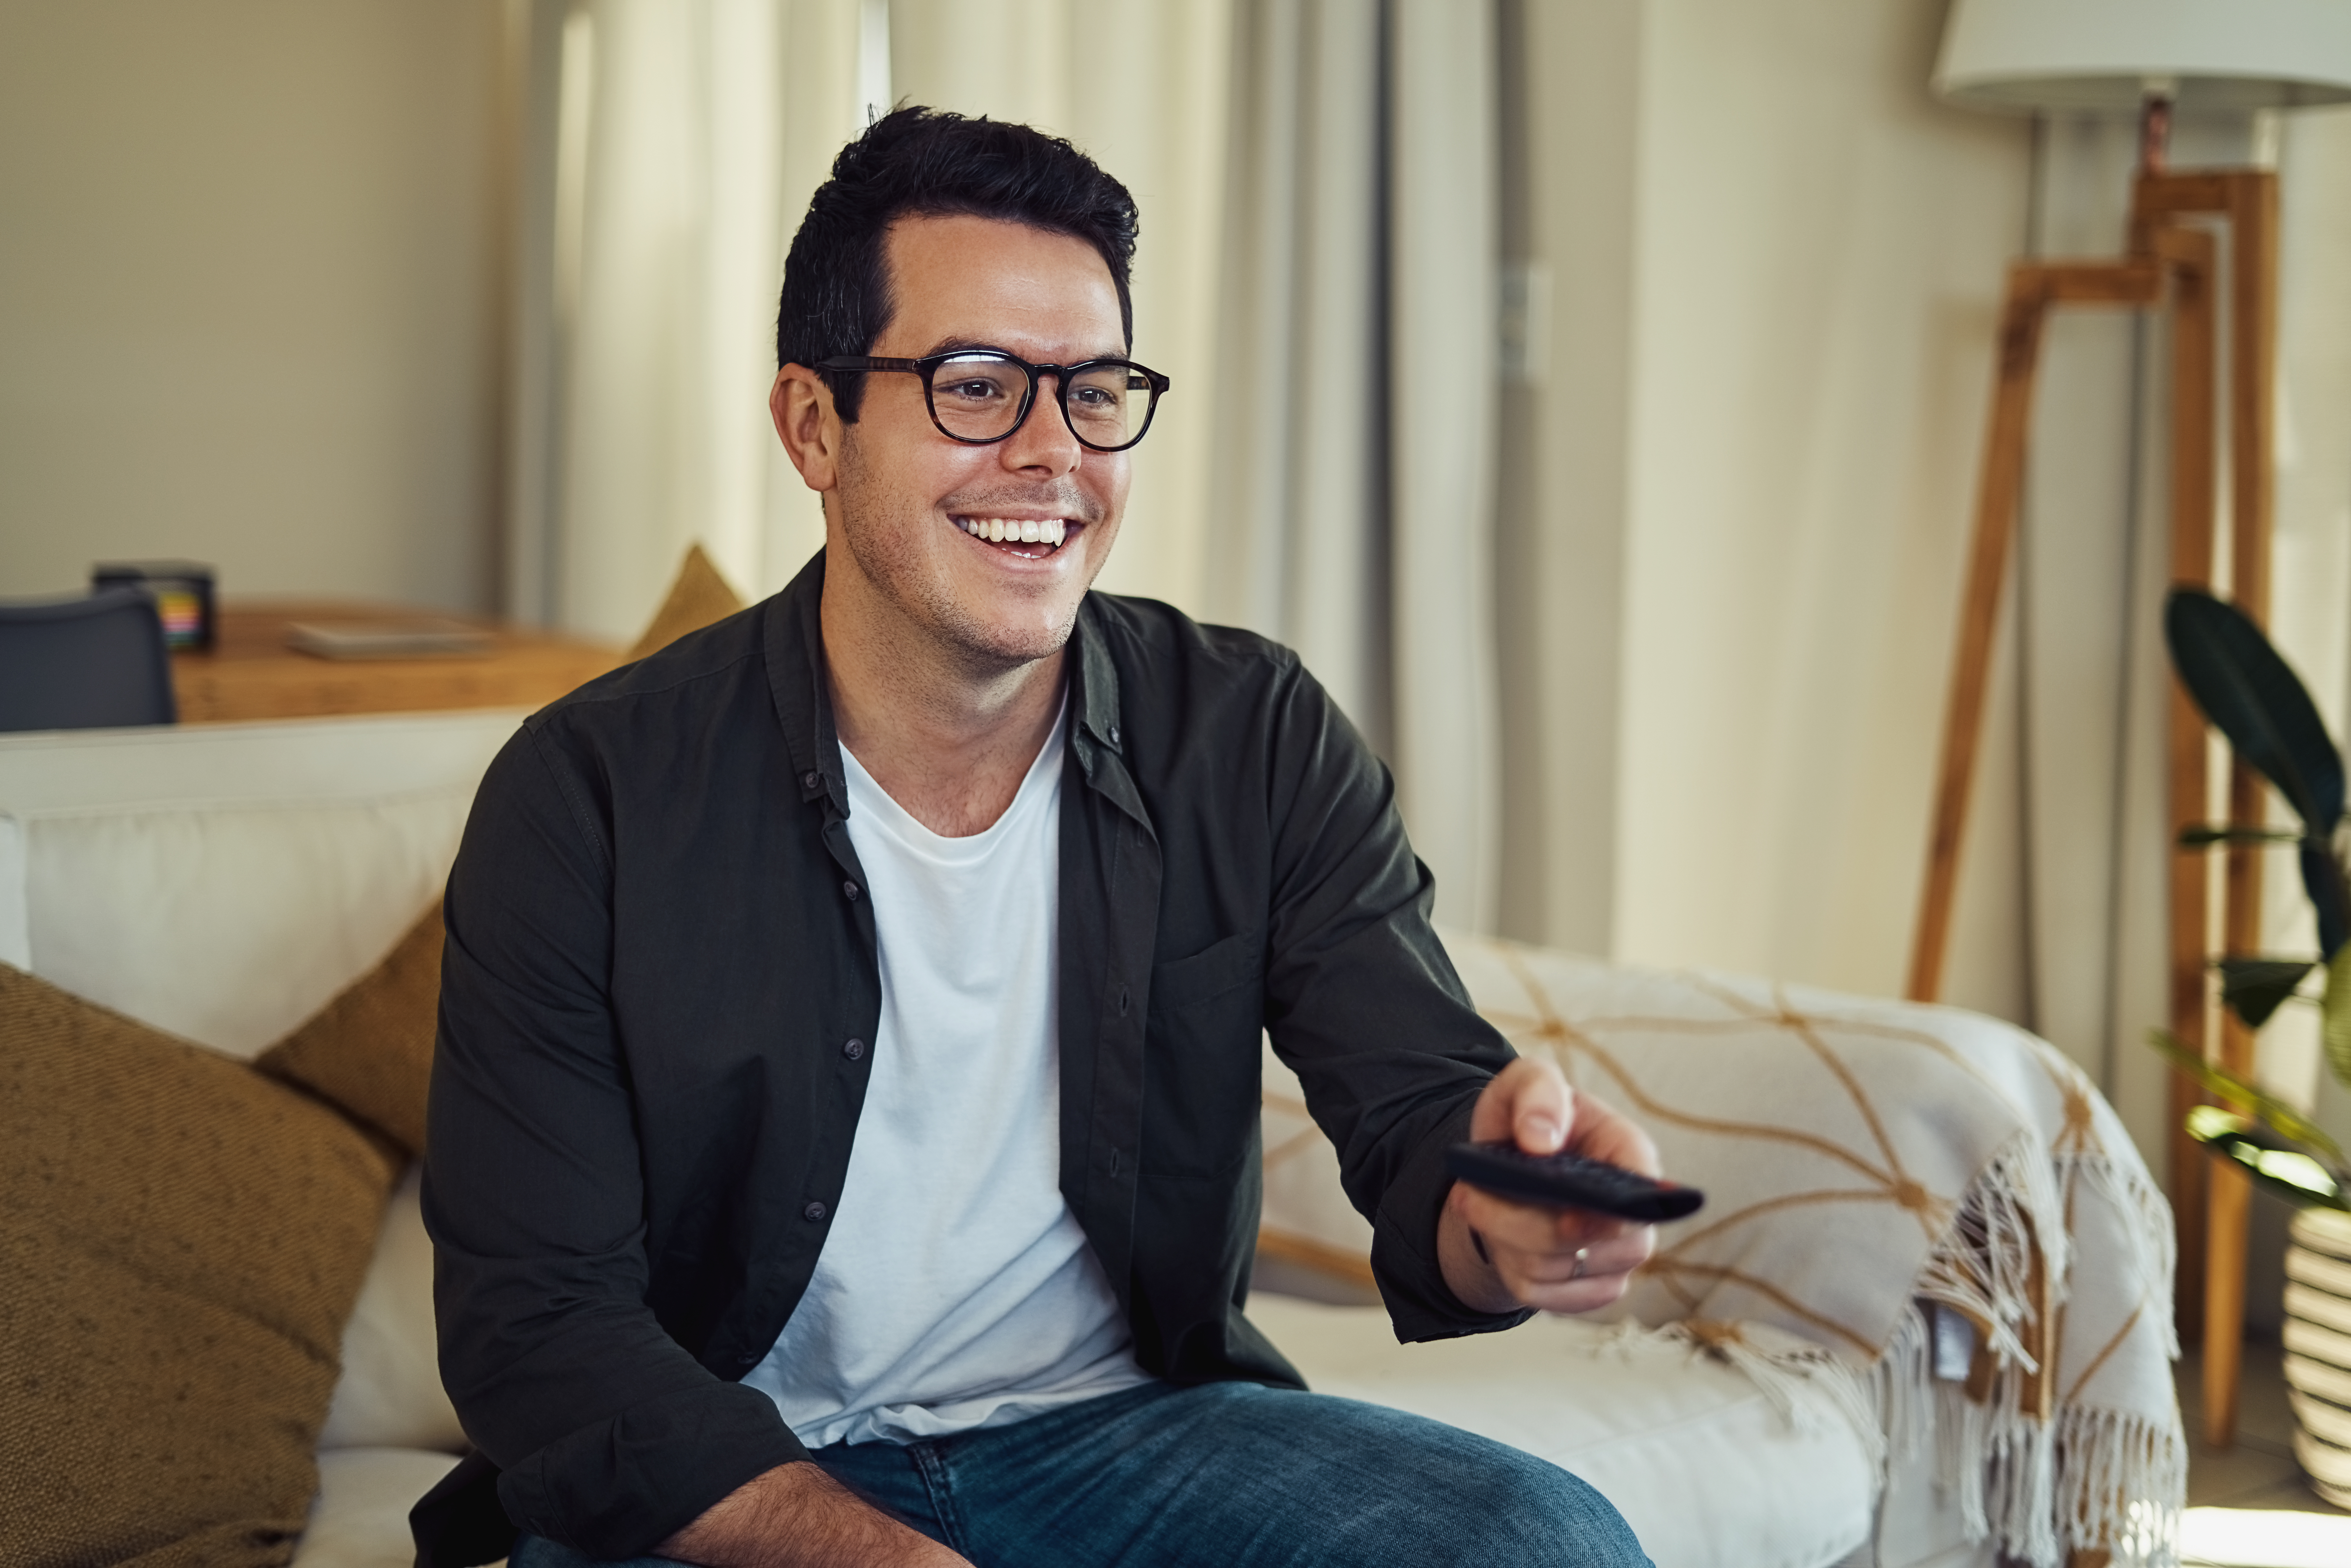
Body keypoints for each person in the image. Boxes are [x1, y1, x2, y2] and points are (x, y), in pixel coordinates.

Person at [416, 107, 1660, 1568]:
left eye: (1091, 390)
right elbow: (536, 1333)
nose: (1050, 455)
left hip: (1119, 1435)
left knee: (1541, 1541)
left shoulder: (1248, 735)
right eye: (975, 386)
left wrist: (1506, 1209)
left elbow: (1419, 1115)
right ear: (814, 426)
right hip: (728, 1478)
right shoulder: (587, 796)